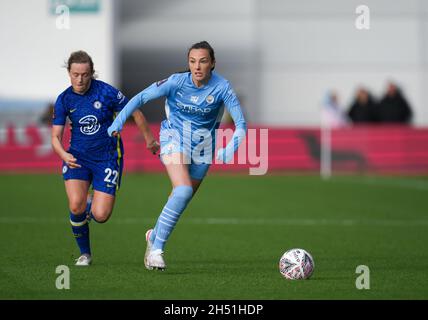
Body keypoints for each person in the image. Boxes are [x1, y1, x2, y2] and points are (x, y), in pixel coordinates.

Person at [108, 41, 247, 270]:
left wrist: (229, 148)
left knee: (180, 198)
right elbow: (140, 98)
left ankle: (154, 236)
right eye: (192, 61)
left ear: (212, 63)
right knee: (183, 190)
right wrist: (118, 122)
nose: (197, 66)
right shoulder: (176, 82)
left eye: (203, 61)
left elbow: (241, 124)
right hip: (173, 138)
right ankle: (157, 251)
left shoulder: (222, 87)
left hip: (204, 148)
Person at [51, 50, 159, 266]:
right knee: (75, 206)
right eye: (75, 74)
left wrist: (149, 140)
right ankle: (85, 254)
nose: (80, 79)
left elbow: (135, 112)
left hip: (107, 158)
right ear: (69, 74)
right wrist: (64, 154)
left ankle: (91, 203)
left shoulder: (107, 93)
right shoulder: (64, 99)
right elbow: (55, 136)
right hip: (77, 158)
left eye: (84, 74)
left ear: (92, 73)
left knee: (101, 215)